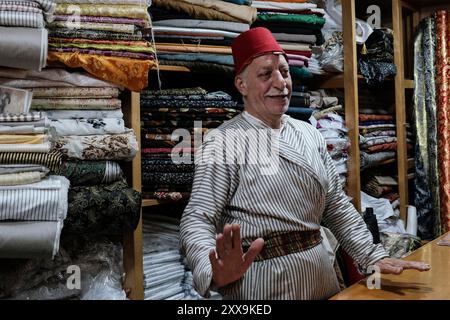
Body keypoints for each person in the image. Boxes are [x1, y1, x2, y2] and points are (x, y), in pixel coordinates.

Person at [179, 27, 430, 300]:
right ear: (241, 84)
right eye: (265, 74)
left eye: (284, 72)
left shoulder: (309, 133)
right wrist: (212, 270)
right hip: (261, 283)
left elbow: (335, 205)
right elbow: (197, 219)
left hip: (320, 275)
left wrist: (372, 255)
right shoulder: (223, 142)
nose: (281, 83)